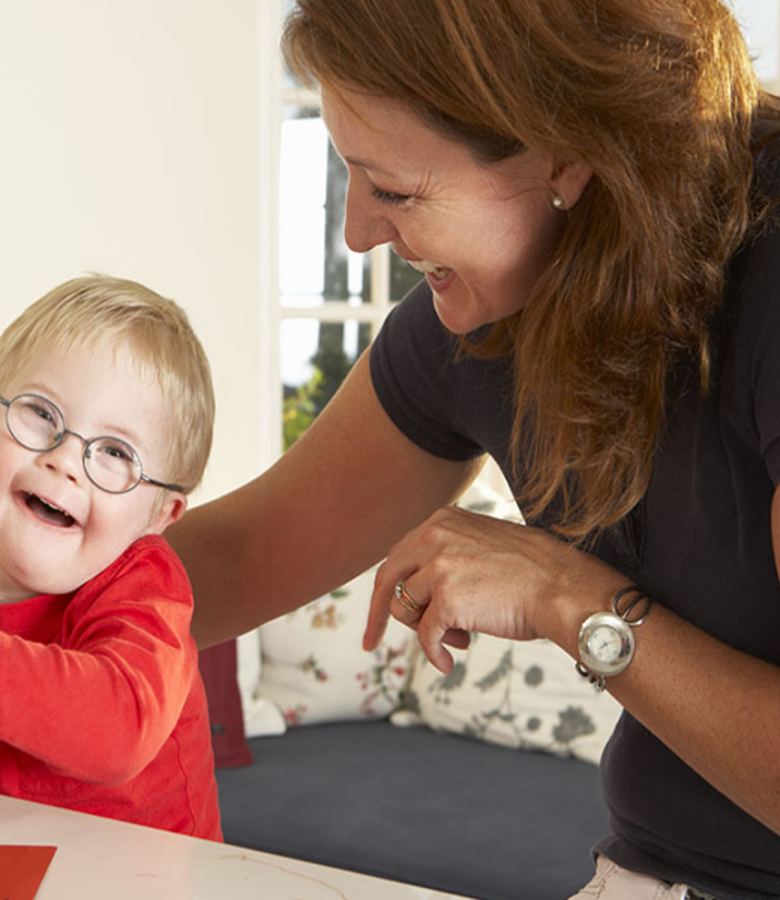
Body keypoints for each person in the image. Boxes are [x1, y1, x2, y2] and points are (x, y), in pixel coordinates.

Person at [167, 0, 780, 896]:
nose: (356, 233)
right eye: (349, 177)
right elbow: (229, 564)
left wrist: (565, 593)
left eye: (395, 189)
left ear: (566, 152)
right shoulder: (482, 322)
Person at [0, 274, 221, 840]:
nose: (65, 459)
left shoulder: (146, 589)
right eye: (42, 414)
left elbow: (118, 729)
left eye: (116, 452)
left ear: (159, 515)